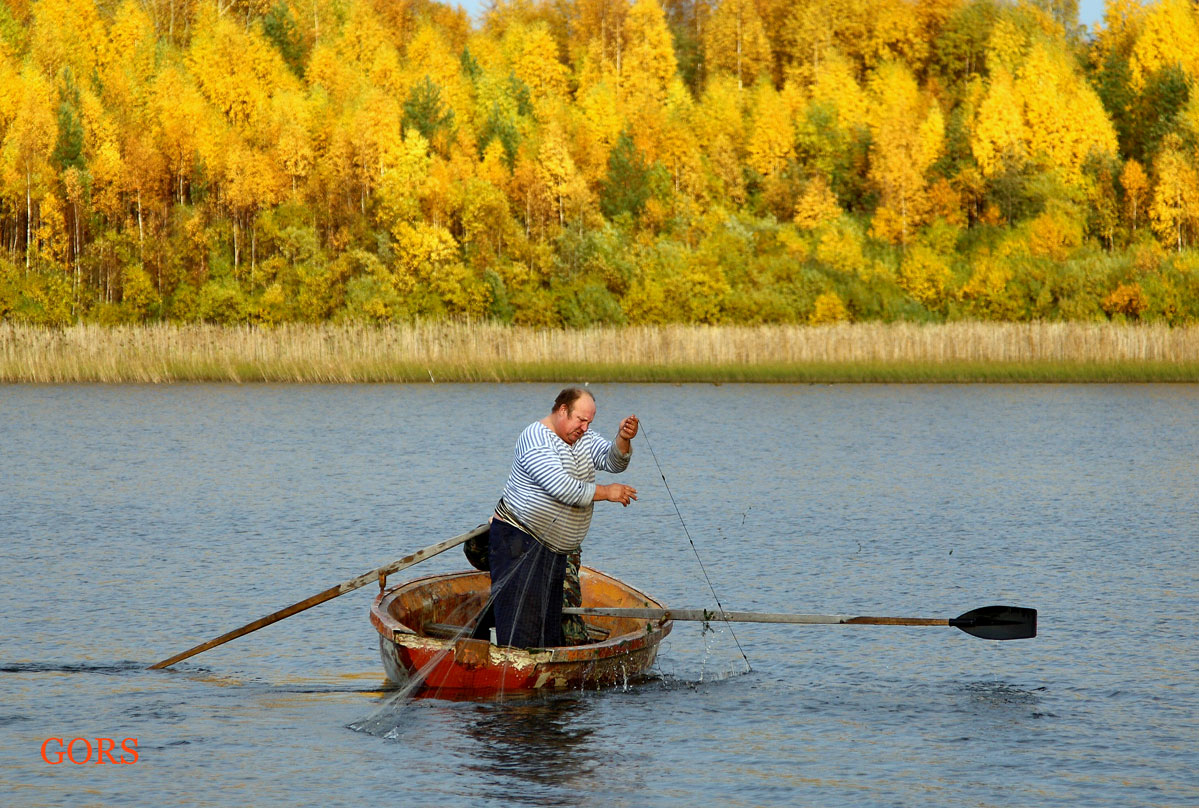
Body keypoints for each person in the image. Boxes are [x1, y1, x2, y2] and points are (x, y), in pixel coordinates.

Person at [487, 387, 638, 649]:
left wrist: (623, 438)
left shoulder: (583, 439)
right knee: (520, 631)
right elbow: (561, 487)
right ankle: (515, 678)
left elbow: (614, 462)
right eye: (580, 420)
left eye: (589, 422)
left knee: (547, 630)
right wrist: (607, 492)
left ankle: (544, 682)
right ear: (562, 410)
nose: (584, 427)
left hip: (554, 548)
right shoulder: (535, 437)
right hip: (519, 541)